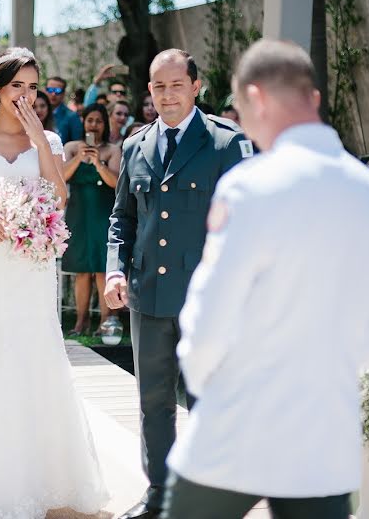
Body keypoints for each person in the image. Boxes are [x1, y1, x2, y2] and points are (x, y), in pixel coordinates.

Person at [162, 39, 369, 519]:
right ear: (313, 98)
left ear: (254, 99)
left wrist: (204, 378)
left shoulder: (249, 186)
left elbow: (208, 317)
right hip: (324, 436)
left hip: (235, 424)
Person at [0, 48, 108, 518]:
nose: (27, 96)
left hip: (31, 265)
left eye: (34, 87)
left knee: (35, 351)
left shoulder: (47, 139)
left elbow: (59, 194)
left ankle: (44, 476)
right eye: (18, 87)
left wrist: (38, 140)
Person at [104, 49, 249, 519]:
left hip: (206, 301)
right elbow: (122, 218)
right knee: (154, 402)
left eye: (176, 85)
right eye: (159, 87)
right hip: (148, 297)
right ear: (150, 91)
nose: (167, 95)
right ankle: (160, 493)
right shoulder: (135, 146)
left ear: (196, 86)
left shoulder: (227, 144)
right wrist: (114, 270)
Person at [61, 104, 122, 336]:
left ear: (104, 124)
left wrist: (98, 163)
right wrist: (79, 158)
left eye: (98, 121)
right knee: (81, 270)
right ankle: (80, 321)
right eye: (90, 120)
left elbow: (116, 183)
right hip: (78, 214)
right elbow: (62, 176)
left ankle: (105, 321)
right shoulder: (70, 147)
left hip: (102, 214)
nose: (93, 125)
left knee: (101, 269)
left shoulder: (112, 150)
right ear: (83, 122)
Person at [46, 75, 84, 144]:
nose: (53, 94)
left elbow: (77, 145)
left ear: (63, 93)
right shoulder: (38, 113)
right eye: (50, 90)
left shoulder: (72, 117)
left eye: (58, 91)